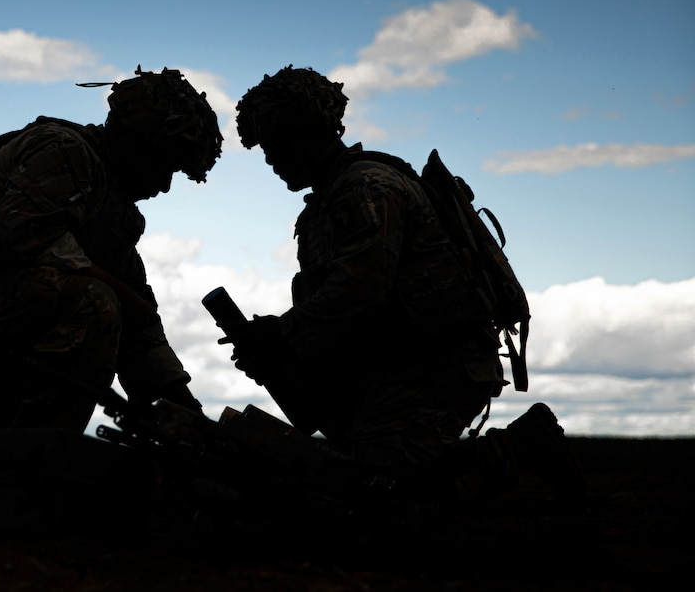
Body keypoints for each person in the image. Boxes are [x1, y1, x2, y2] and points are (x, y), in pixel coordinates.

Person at [226, 66, 584, 506]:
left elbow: (360, 291)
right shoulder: (328, 202)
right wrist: (281, 349)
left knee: (383, 494)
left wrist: (282, 333)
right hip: (392, 366)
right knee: (354, 472)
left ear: (308, 131)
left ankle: (520, 445)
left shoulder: (365, 188)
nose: (271, 159)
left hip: (437, 364)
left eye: (277, 144)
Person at [0, 67, 222, 472]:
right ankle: (22, 472)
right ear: (136, 141)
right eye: (166, 165)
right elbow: (22, 236)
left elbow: (143, 331)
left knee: (104, 304)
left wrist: (195, 423)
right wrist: (125, 299)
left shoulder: (110, 210)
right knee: (94, 303)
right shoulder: (64, 150)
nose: (165, 186)